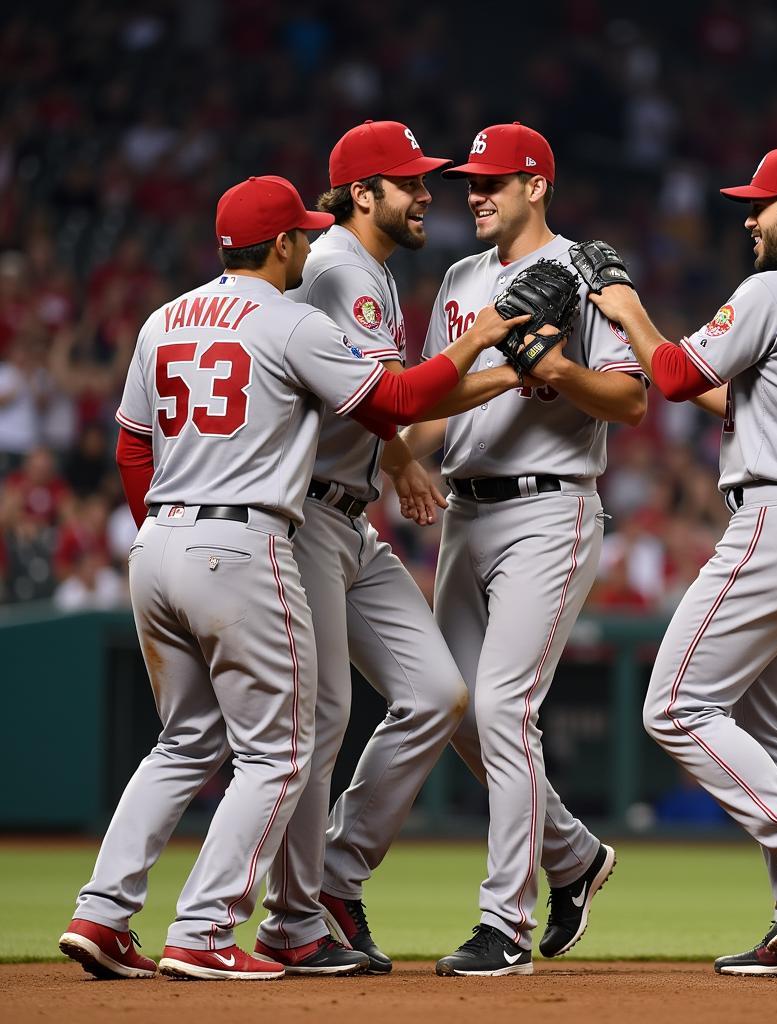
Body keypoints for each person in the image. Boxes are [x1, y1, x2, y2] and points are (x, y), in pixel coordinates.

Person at [57, 174, 520, 982]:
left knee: (185, 741)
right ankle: (205, 930)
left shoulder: (163, 318)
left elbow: (133, 445)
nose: (310, 242)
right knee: (280, 750)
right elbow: (400, 397)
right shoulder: (291, 320)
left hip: (159, 541)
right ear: (278, 246)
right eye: (300, 233)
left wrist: (161, 533)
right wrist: (479, 341)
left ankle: (101, 913)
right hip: (242, 545)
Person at [589, 147, 777, 978]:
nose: (749, 219)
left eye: (762, 205)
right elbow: (763, 405)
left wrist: (628, 310)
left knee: (676, 706)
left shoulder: (774, 289)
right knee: (765, 724)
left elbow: (679, 375)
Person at [256, 121, 524, 973]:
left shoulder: (361, 267)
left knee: (437, 692)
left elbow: (372, 404)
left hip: (353, 516)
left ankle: (334, 874)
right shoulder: (338, 265)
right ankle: (292, 919)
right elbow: (393, 399)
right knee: (322, 719)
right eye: (409, 183)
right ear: (361, 195)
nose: (428, 196)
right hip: (303, 515)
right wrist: (505, 360)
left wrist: (402, 460)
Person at [401, 122, 648, 976]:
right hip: (464, 512)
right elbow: (436, 404)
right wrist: (398, 460)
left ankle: (504, 922)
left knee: (504, 706)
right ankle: (574, 856)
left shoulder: (586, 272)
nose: (475, 194)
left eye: (493, 182)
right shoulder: (462, 278)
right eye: (470, 182)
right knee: (460, 710)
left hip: (549, 508)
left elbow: (630, 400)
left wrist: (556, 368)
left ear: (536, 186)